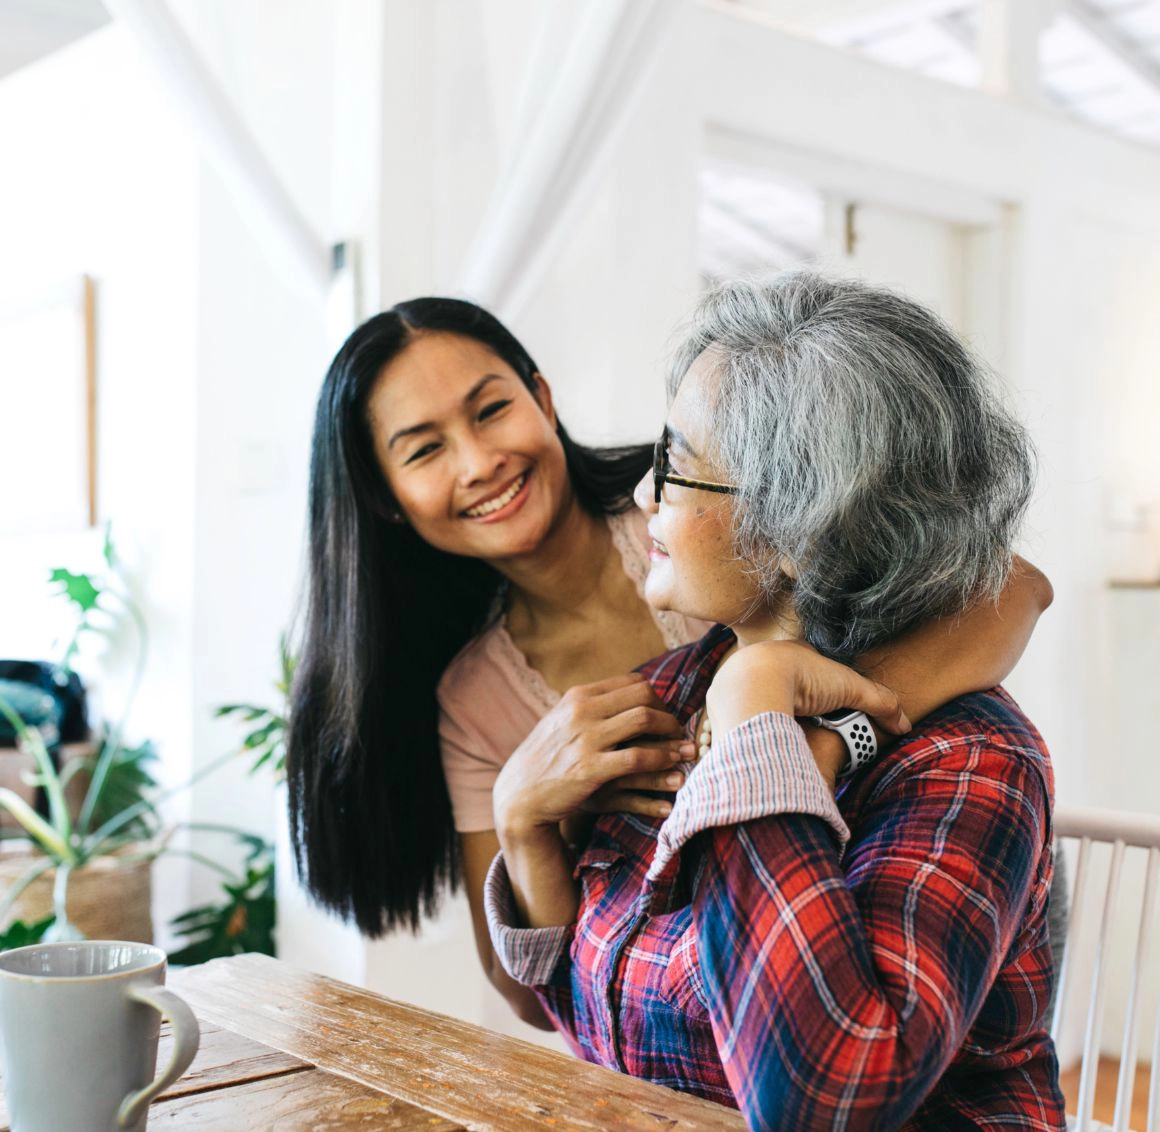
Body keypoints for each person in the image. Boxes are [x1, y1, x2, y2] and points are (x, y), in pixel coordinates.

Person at [286, 296, 1052, 1031]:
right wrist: (522, 818)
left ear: (542, 397)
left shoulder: (697, 531)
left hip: (908, 909)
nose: (480, 460)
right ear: (385, 497)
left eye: (491, 410)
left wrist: (824, 735)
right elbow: (538, 1001)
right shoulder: (471, 697)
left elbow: (1012, 586)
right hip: (683, 1027)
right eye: (424, 449)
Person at [486, 271, 1065, 1128]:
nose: (644, 494)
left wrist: (758, 721)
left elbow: (825, 1100)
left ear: (802, 526)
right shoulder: (677, 691)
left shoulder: (968, 764)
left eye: (675, 467)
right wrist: (525, 832)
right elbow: (604, 1022)